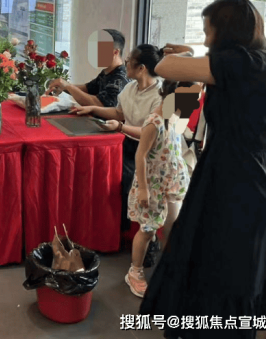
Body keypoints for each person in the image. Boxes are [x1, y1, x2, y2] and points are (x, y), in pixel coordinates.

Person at [140, 0, 266, 339]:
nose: (206, 39)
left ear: (226, 32)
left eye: (208, 31)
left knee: (215, 264)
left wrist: (188, 52)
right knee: (248, 268)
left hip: (235, 177)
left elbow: (164, 66)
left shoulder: (239, 62)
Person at [73, 44, 164, 235]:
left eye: (129, 61)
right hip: (126, 142)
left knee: (122, 177)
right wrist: (93, 109)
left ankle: (125, 231)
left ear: (141, 68)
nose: (125, 63)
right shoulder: (130, 87)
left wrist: (120, 127)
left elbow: (150, 133)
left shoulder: (160, 96)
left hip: (149, 151)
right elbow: (119, 113)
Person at [125, 80, 193, 298]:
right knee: (148, 229)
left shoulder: (175, 118)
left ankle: (170, 268)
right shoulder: (154, 122)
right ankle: (134, 271)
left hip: (170, 183)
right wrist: (143, 189)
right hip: (153, 185)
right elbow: (141, 155)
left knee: (172, 226)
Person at [47, 28, 129, 107]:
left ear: (115, 52)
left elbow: (100, 104)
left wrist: (68, 86)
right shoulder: (107, 72)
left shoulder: (120, 79)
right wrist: (62, 86)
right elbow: (87, 89)